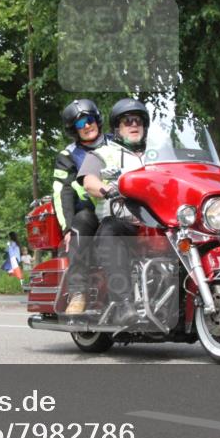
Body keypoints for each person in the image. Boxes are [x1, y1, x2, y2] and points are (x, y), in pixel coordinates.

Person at [78, 98, 150, 321]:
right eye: (127, 121)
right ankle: (124, 303)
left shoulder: (159, 154)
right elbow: (89, 181)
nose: (134, 125)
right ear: (118, 129)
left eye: (138, 120)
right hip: (124, 221)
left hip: (160, 221)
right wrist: (106, 189)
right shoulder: (103, 153)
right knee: (109, 230)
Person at [53, 99, 107, 314]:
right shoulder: (68, 155)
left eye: (89, 119)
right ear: (73, 129)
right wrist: (66, 227)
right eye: (79, 123)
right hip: (92, 211)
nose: (86, 125)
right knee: (80, 223)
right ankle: (77, 293)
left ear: (97, 120)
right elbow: (62, 191)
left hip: (123, 207)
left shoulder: (117, 144)